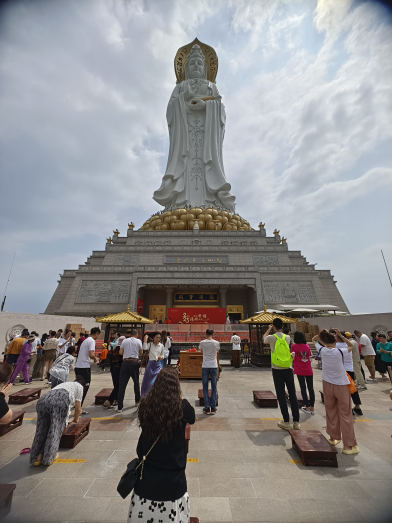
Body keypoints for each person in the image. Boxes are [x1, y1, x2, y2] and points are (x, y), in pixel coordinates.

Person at [128, 367, 195, 523]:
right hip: (173, 479)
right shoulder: (182, 407)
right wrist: (180, 397)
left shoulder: (145, 405)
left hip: (146, 478)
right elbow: (191, 418)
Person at [315, 329, 359, 454]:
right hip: (341, 384)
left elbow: (314, 340)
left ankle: (333, 437)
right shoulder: (340, 351)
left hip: (327, 384)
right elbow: (351, 345)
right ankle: (348, 446)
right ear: (335, 341)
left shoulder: (322, 350)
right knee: (345, 414)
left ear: (323, 341)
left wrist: (321, 335)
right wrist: (340, 335)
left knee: (331, 411)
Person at [30, 376, 86, 467]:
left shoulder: (65, 384)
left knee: (41, 430)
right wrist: (75, 419)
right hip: (58, 402)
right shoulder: (79, 387)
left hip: (43, 400)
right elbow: (78, 408)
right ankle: (49, 457)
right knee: (54, 430)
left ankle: (37, 456)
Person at [264, 319, 300, 431]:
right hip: (288, 367)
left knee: (281, 395)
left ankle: (286, 421)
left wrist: (269, 329)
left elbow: (264, 339)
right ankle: (296, 422)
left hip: (277, 368)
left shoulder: (271, 337)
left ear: (274, 326)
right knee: (292, 394)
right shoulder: (287, 337)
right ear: (283, 326)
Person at [334, 331, 363, 416]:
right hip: (350, 369)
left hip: (341, 370)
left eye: (336, 337)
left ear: (338, 338)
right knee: (352, 388)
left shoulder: (336, 345)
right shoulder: (348, 344)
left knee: (343, 391)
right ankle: (357, 407)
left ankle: (348, 409)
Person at [117, 330, 143, 413]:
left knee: (122, 384)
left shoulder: (124, 340)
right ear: (136, 334)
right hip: (134, 362)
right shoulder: (138, 341)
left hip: (125, 363)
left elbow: (120, 352)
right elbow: (141, 353)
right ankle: (137, 401)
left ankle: (120, 407)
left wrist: (126, 353)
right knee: (136, 382)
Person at [74, 327, 100, 410]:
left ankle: (76, 405)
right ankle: (79, 408)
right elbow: (91, 354)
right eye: (98, 335)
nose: (97, 337)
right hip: (84, 367)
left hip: (78, 366)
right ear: (96, 333)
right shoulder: (92, 341)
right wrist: (96, 359)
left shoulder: (85, 340)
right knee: (85, 387)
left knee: (79, 387)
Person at [291, 331, 315, 414]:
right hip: (308, 369)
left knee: (303, 388)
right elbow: (309, 355)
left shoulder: (294, 346)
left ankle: (307, 407)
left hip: (299, 369)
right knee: (311, 388)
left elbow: (292, 357)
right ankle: (312, 408)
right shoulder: (307, 346)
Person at [199, 329, 220, 415]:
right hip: (214, 365)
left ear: (206, 334)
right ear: (212, 334)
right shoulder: (216, 343)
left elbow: (200, 349)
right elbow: (217, 350)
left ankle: (207, 407)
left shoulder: (202, 342)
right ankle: (213, 407)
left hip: (205, 366)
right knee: (214, 387)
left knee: (205, 387)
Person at [141, 332, 164, 398]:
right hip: (151, 364)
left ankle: (157, 395)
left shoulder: (161, 346)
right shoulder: (150, 344)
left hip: (158, 365)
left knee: (157, 381)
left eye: (159, 338)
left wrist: (161, 357)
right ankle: (148, 395)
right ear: (153, 338)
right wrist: (145, 339)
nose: (158, 339)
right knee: (149, 382)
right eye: (156, 337)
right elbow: (144, 348)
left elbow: (163, 355)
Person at [103, 337, 124, 409]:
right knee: (118, 386)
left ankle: (116, 400)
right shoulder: (121, 351)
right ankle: (109, 401)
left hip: (113, 369)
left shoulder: (115, 349)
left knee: (116, 385)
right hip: (117, 369)